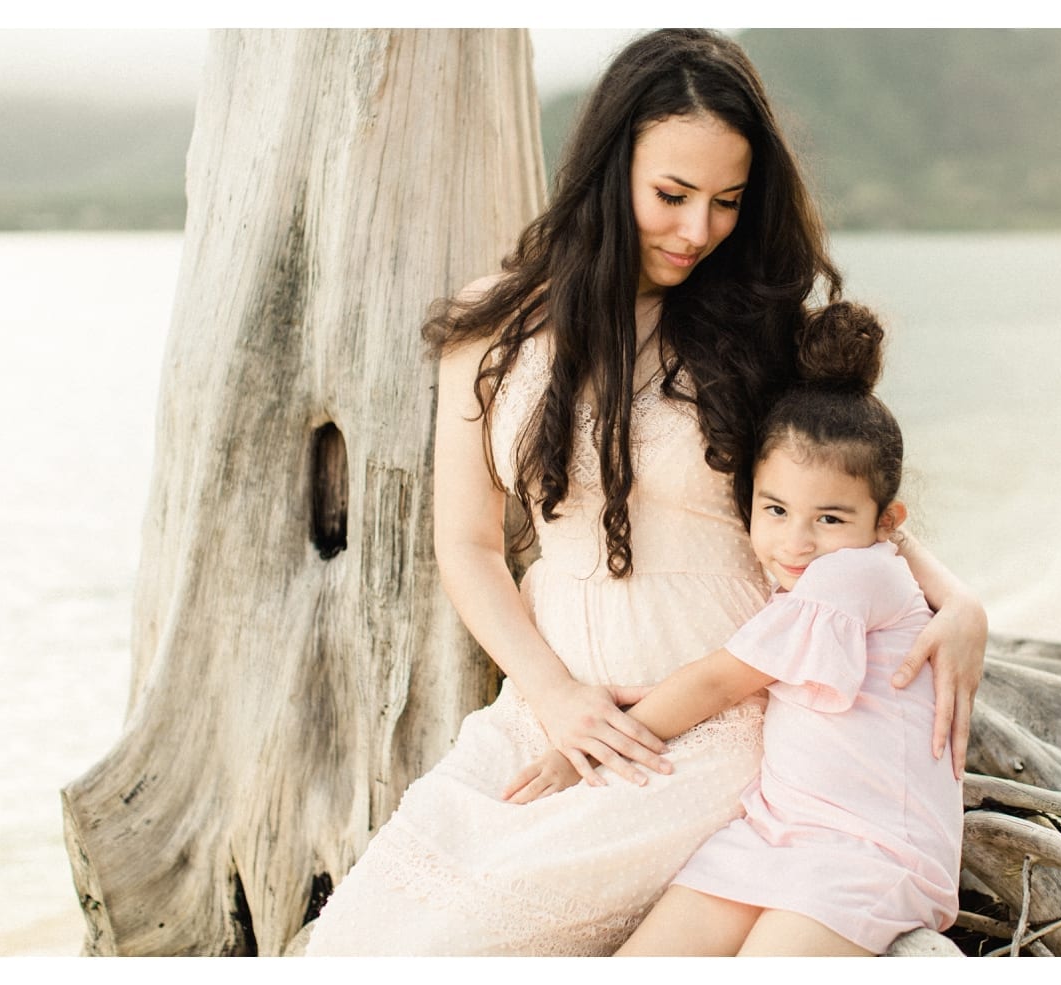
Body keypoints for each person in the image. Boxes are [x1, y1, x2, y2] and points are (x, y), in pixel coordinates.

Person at [303, 28, 984, 957]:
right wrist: (552, 695)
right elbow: (466, 544)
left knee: (455, 945)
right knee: (355, 941)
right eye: (671, 195)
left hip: (717, 728)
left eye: (726, 203)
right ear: (609, 167)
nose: (698, 230)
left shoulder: (757, 326)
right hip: (546, 713)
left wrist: (960, 598)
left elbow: (844, 495)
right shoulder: (493, 326)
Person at [505, 301, 962, 956]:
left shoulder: (854, 576)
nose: (796, 541)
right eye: (775, 509)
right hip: (777, 830)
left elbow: (720, 679)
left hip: (869, 846)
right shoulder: (823, 577)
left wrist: (581, 751)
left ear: (888, 522)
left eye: (830, 519)